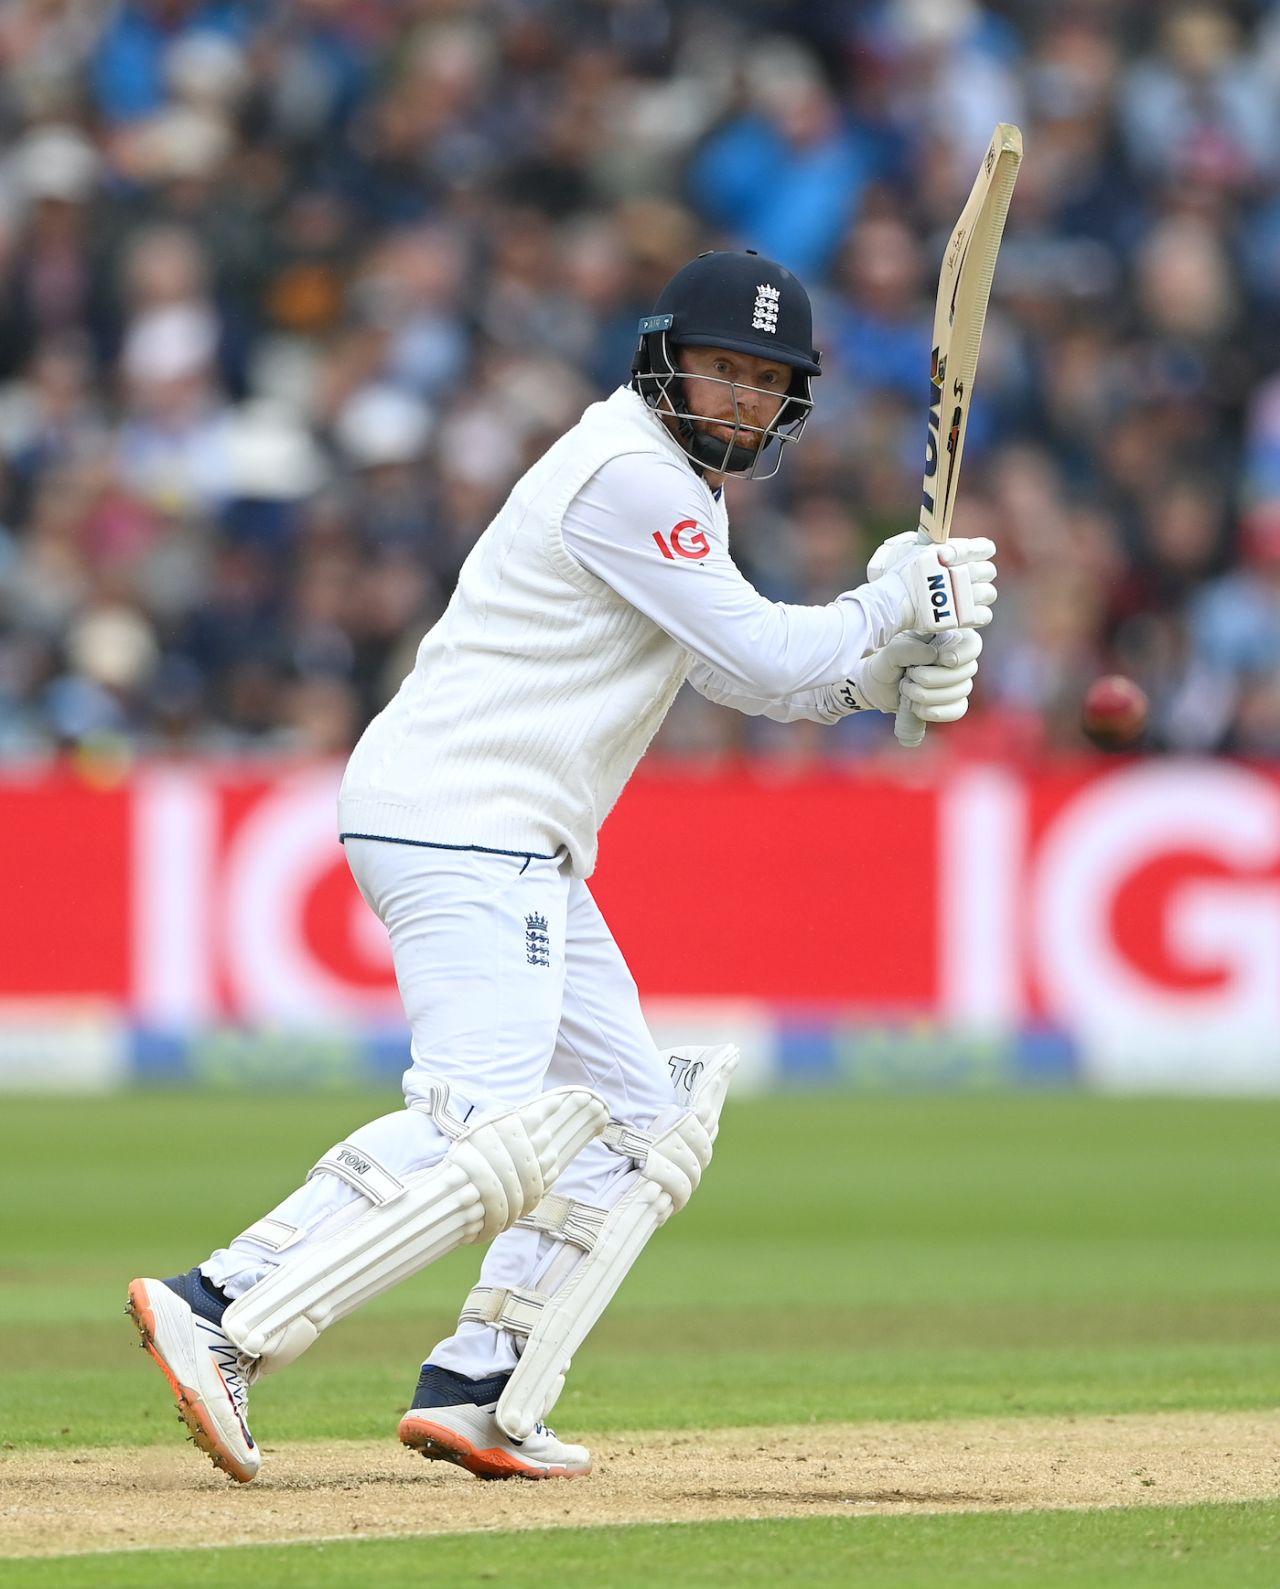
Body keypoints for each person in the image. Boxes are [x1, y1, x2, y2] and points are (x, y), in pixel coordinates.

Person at [126, 249, 997, 1483]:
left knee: (645, 1116)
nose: (742, 396)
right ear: (664, 358)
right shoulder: (630, 474)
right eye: (722, 367)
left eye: (766, 378)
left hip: (509, 836)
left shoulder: (671, 488)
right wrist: (892, 598)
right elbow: (759, 655)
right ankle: (220, 1305)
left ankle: (484, 1379)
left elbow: (754, 675)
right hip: (465, 818)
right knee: (478, 1118)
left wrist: (888, 670)